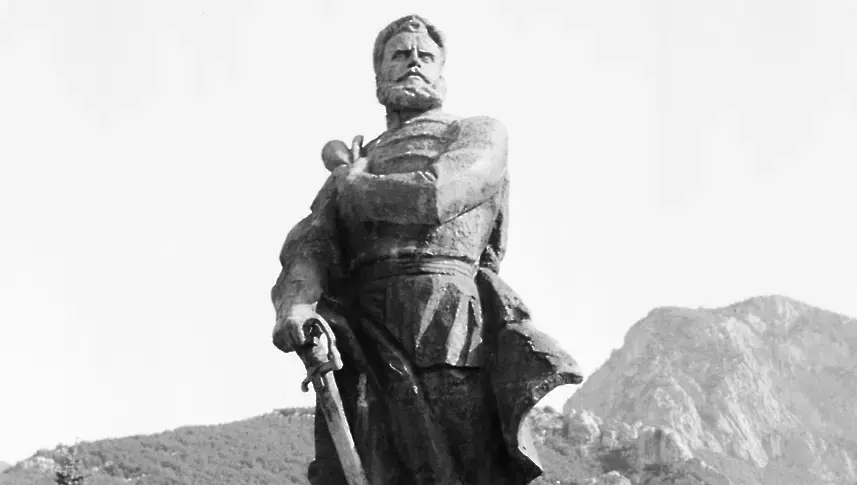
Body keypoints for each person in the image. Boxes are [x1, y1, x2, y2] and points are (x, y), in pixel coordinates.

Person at [271, 14, 583, 485]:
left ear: (441, 71)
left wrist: (355, 185)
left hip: (450, 327)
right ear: (379, 75)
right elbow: (311, 242)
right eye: (399, 54)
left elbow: (437, 195)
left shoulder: (476, 133)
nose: (413, 61)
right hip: (361, 337)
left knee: (462, 467)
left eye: (425, 55)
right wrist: (296, 305)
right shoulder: (358, 162)